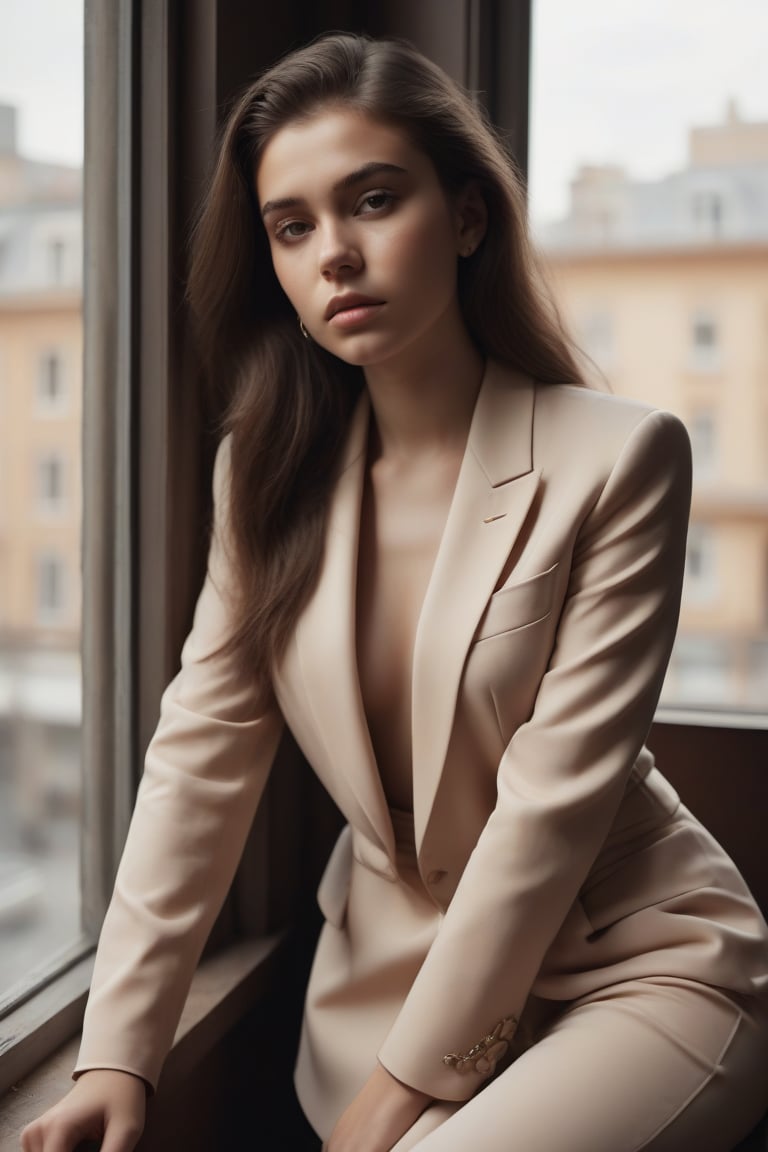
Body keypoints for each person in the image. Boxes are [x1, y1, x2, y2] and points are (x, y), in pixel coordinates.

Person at [21, 32, 768, 1152]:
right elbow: (200, 759)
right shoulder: (263, 476)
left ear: (467, 217)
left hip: (632, 962)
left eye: (373, 201)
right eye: (293, 226)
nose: (335, 254)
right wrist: (120, 1052)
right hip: (385, 981)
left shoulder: (622, 458)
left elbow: (549, 816)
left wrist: (389, 1108)